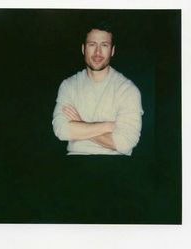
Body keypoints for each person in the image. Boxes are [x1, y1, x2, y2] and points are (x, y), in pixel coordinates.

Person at [52, 21, 144, 155]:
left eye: (104, 45)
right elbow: (61, 130)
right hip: (75, 163)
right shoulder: (69, 86)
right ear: (83, 49)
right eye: (92, 44)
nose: (97, 52)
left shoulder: (127, 90)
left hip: (117, 165)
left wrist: (80, 123)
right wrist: (108, 126)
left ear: (112, 51)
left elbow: (125, 143)